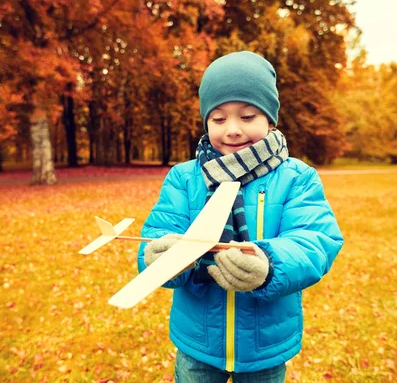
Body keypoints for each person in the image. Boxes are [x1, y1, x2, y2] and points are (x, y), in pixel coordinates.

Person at [137, 51, 344, 383]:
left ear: (270, 120)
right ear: (206, 122)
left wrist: (270, 265)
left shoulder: (296, 178)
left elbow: (316, 240)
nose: (232, 130)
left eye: (247, 116)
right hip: (198, 344)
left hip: (265, 346)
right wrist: (158, 257)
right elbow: (158, 233)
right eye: (218, 119)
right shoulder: (184, 178)